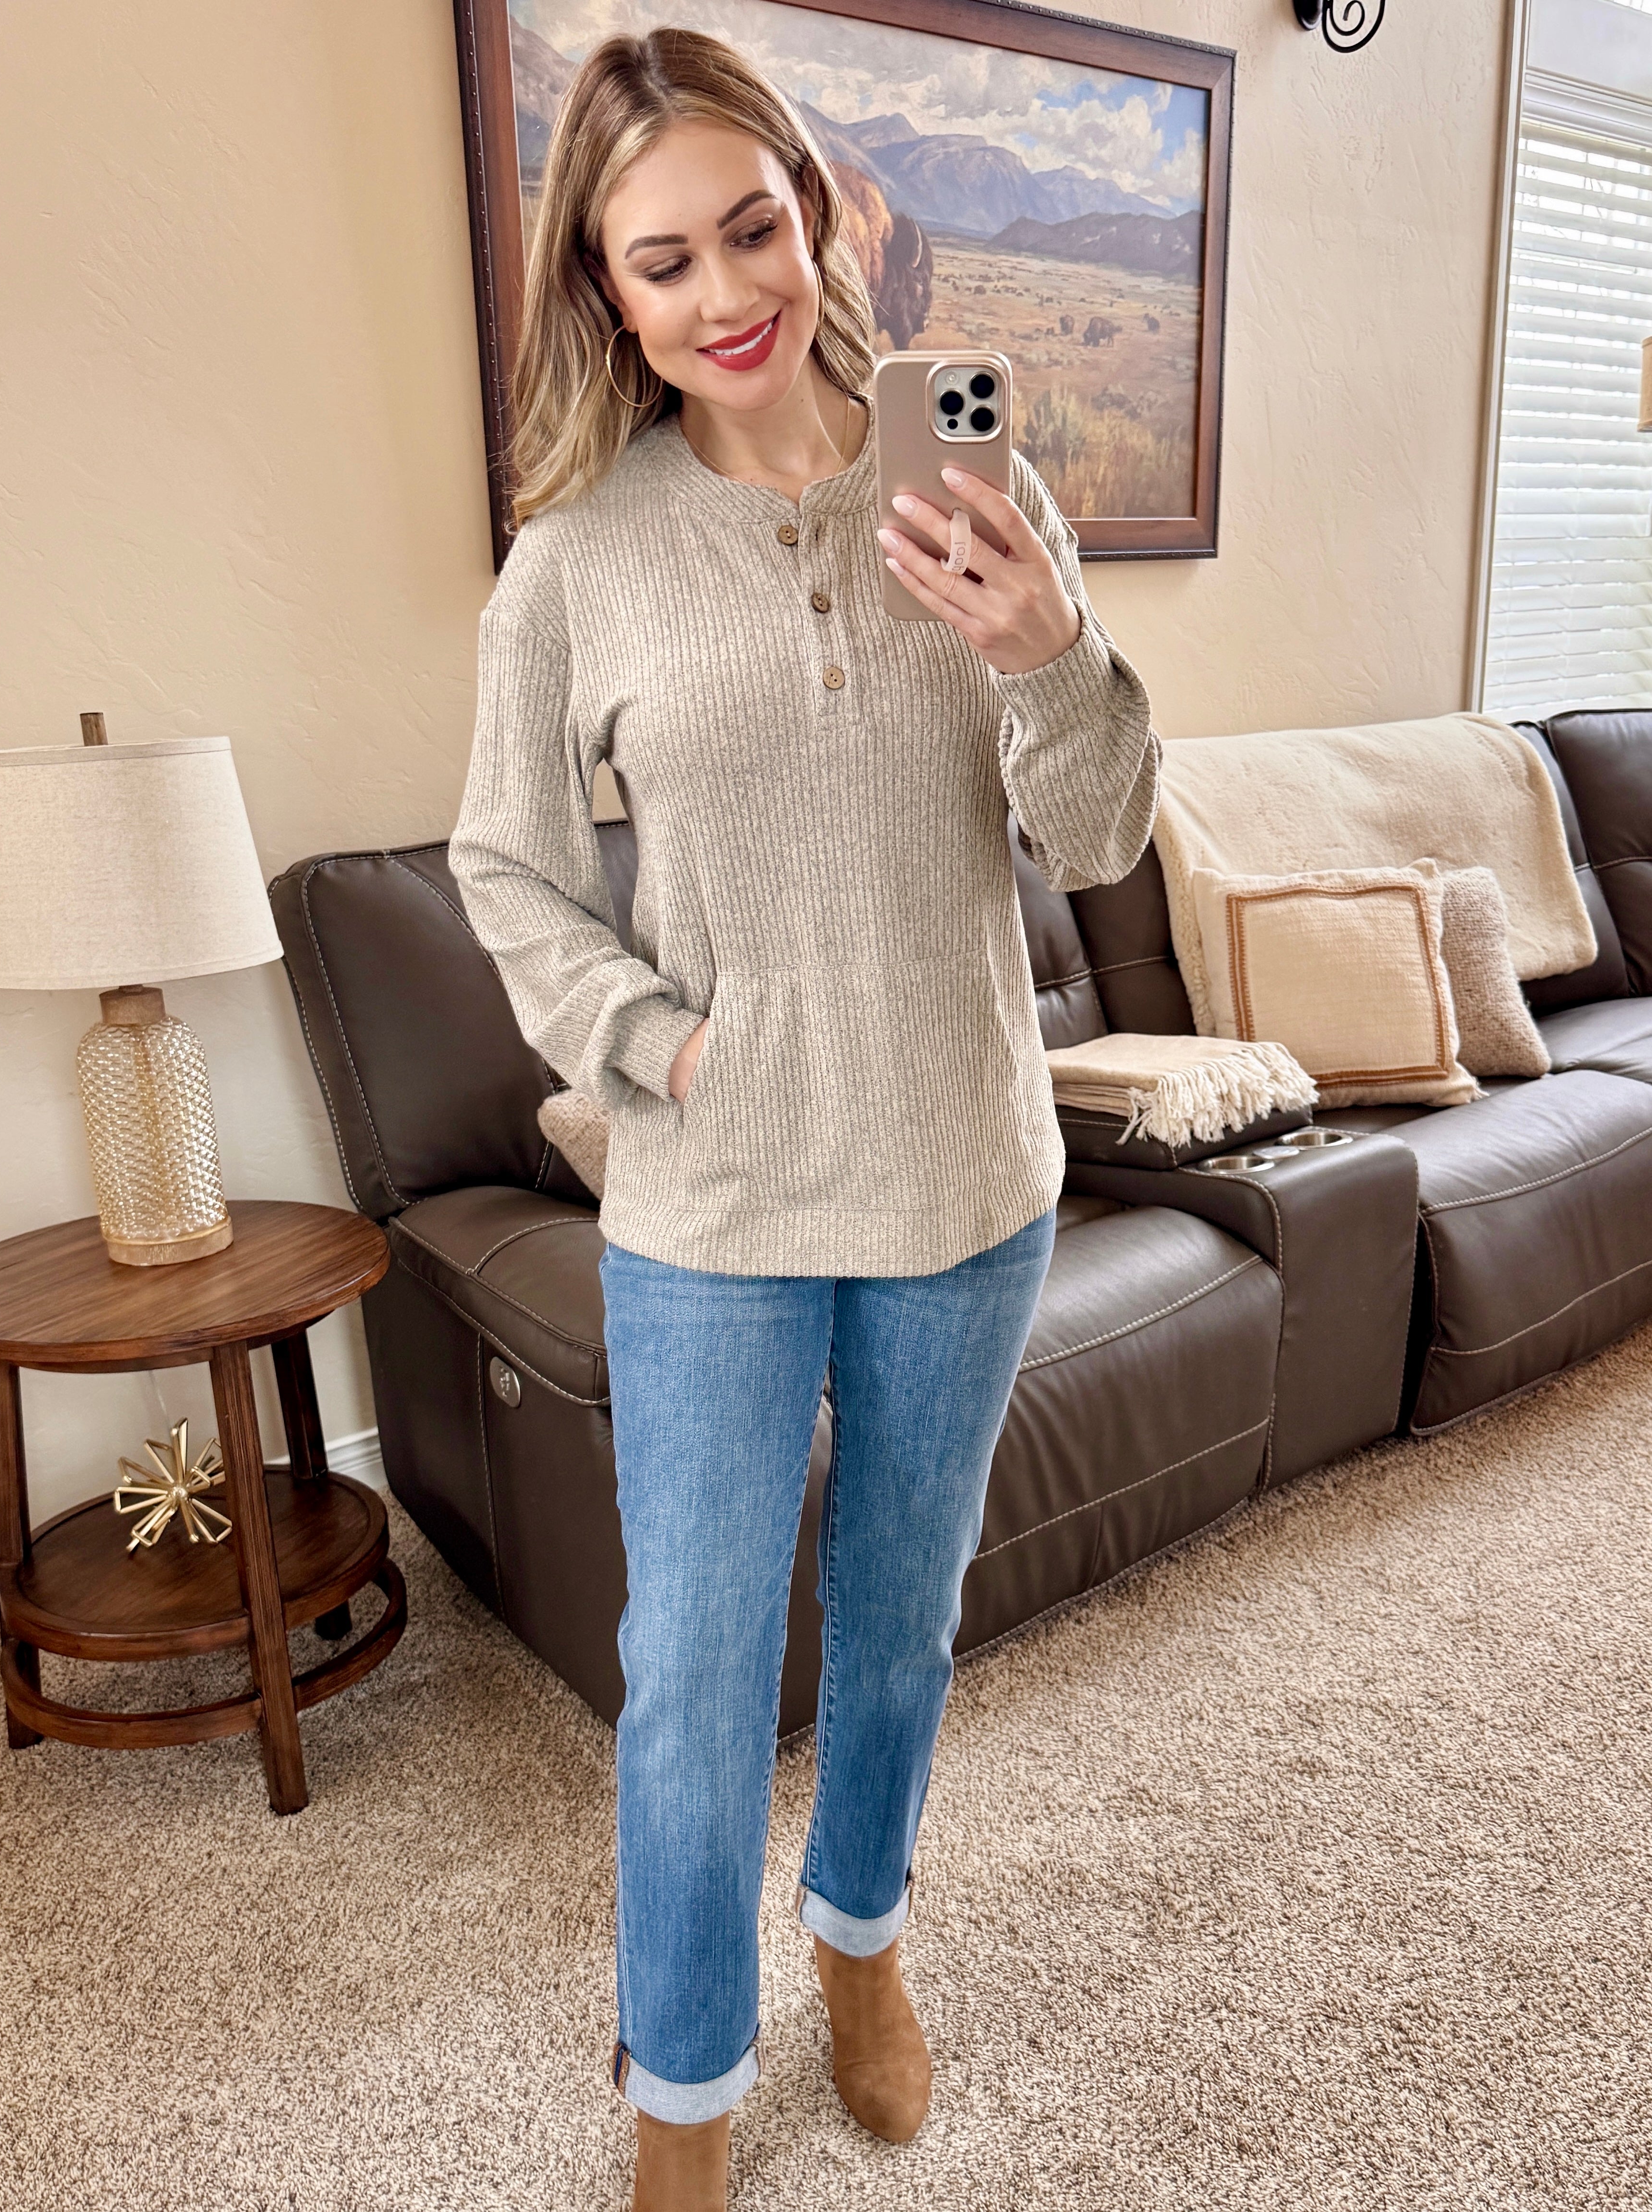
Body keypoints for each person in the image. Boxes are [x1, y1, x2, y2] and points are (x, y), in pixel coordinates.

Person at [448, 28, 1159, 2210]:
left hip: (964, 1176)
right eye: (661, 260)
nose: (724, 291)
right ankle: (682, 2088)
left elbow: (1102, 840)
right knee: (686, 1676)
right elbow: (505, 866)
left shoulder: (978, 490)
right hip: (716, 1206)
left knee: (903, 1620)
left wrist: (1046, 643)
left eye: (750, 226)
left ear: (823, 207)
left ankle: (861, 1946)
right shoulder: (576, 560)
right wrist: (653, 1044)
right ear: (608, 291)